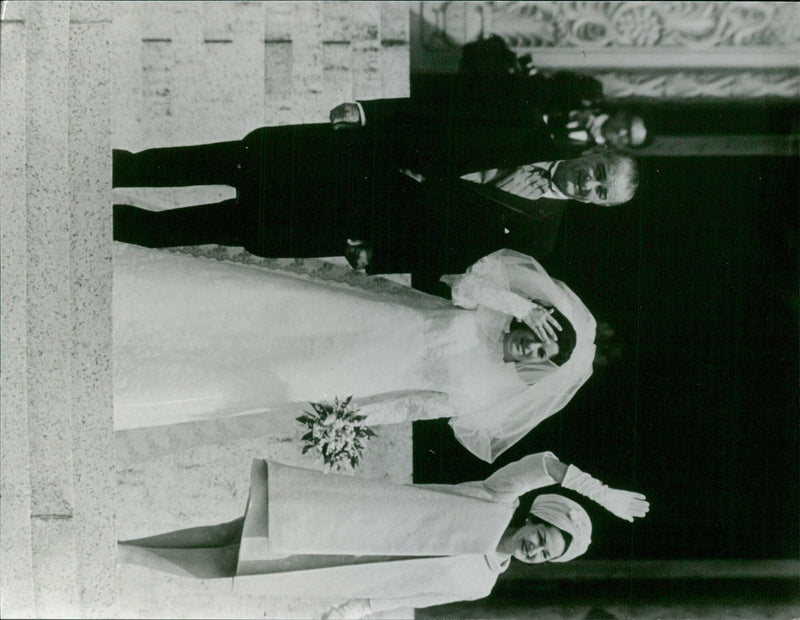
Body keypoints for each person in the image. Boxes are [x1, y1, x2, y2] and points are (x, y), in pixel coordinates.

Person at [114, 246, 596, 462]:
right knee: (255, 313)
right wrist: (519, 305)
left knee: (259, 377)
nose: (531, 345)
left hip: (356, 372)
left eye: (540, 354)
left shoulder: (486, 392)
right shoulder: (489, 313)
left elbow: (414, 406)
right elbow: (463, 284)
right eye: (540, 332)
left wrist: (346, 417)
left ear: (539, 367)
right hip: (353, 318)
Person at [112, 87, 639, 281]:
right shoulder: (521, 119)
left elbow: (451, 253)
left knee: (177, 230)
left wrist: (379, 255)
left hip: (345, 218)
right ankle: (90, 171)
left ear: (597, 206)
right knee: (174, 165)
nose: (589, 186)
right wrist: (368, 113)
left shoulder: (536, 238)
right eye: (598, 172)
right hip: (332, 158)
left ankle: (99, 228)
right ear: (592, 151)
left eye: (600, 193)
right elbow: (438, 107)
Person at [117, 451, 649, 619]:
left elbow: (415, 595)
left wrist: (353, 610)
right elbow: (547, 464)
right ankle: (121, 545)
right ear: (537, 519)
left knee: (225, 568)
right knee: (230, 533)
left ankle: (122, 560)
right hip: (341, 523)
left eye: (547, 557)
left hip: (343, 569)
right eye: (543, 538)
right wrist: (600, 492)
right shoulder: (495, 498)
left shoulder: (483, 585)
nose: (536, 551)